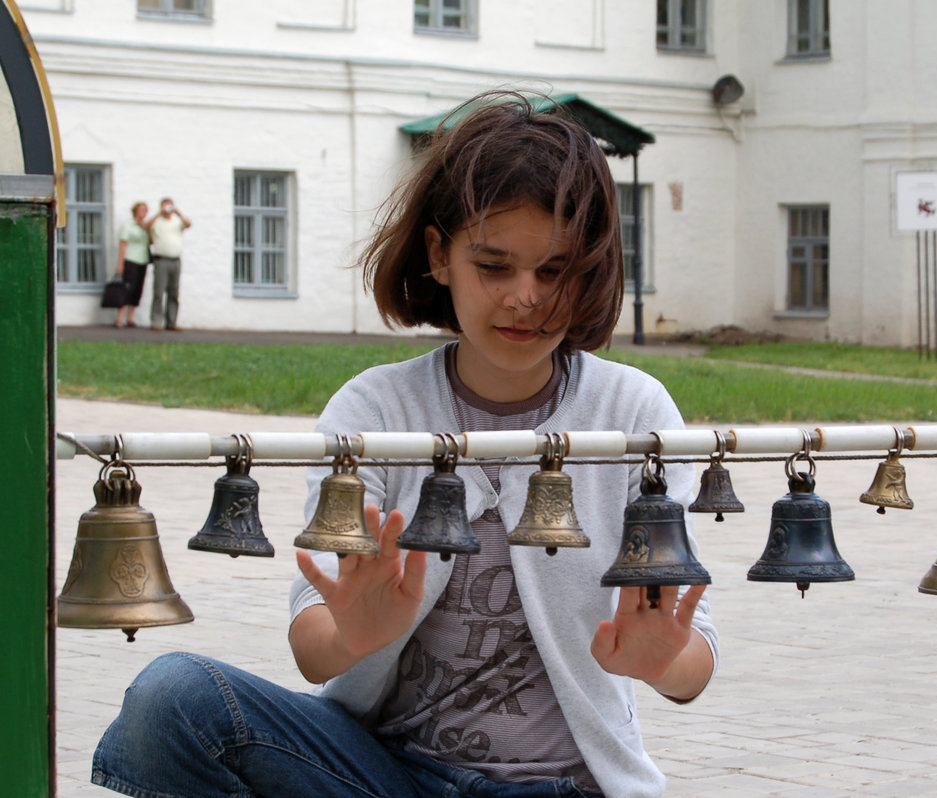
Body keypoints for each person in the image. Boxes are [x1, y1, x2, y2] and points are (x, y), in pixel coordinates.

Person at [91, 92, 717, 798]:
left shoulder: (632, 413)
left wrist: (660, 661)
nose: (525, 298)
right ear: (438, 255)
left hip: (561, 785)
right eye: (494, 265)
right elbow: (313, 651)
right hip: (379, 774)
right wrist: (356, 632)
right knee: (170, 700)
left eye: (554, 270)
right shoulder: (374, 410)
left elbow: (694, 661)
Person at [146, 196, 192, 331]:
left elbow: (188, 224)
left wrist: (178, 212)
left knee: (174, 292)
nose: (168, 209)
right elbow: (147, 226)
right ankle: (156, 322)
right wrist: (160, 213)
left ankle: (171, 322)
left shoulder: (177, 221)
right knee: (159, 292)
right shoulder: (157, 221)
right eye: (166, 206)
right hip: (161, 260)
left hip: (175, 260)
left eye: (170, 206)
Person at [113, 202, 150, 328]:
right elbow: (123, 245)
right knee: (127, 288)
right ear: (135, 211)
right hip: (130, 260)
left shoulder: (145, 227)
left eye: (145, 210)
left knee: (137, 289)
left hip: (142, 260)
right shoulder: (128, 225)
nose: (143, 212)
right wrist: (120, 264)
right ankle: (119, 318)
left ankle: (130, 318)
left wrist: (147, 227)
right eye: (141, 210)